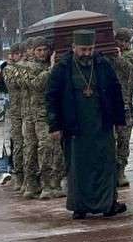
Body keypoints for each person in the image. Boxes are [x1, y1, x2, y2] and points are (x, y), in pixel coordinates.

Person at [46, 29, 126, 219]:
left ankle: (108, 204)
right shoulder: (62, 68)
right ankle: (79, 206)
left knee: (105, 164)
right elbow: (52, 97)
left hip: (101, 124)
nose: (87, 53)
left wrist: (119, 120)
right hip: (75, 127)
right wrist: (54, 125)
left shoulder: (102, 64)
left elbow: (115, 91)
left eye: (90, 49)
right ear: (74, 48)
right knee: (77, 167)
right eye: (83, 49)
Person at [8, 37, 63, 200]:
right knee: (35, 148)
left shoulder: (48, 66)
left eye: (45, 50)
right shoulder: (23, 67)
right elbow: (36, 85)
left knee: (50, 148)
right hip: (33, 115)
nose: (42, 53)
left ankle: (50, 182)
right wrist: (51, 69)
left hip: (47, 113)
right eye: (38, 50)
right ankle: (34, 183)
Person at [112, 29, 133, 190]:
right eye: (119, 40)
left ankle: (120, 170)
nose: (121, 44)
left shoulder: (131, 56)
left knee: (123, 140)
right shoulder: (108, 56)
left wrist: (118, 58)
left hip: (125, 104)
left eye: (124, 41)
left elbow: (132, 72)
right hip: (111, 103)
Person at [2, 42, 25, 190]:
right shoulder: (9, 70)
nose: (21, 57)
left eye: (22, 54)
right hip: (16, 112)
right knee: (18, 144)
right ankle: (20, 176)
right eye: (17, 54)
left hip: (28, 110)